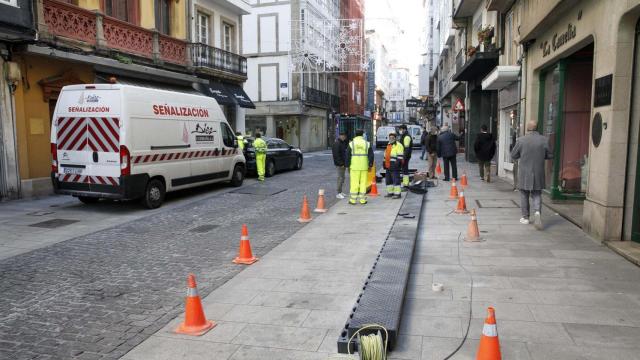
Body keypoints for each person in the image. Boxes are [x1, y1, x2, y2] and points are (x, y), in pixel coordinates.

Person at [510, 120, 552, 229]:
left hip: (524, 172)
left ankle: (525, 217)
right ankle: (537, 213)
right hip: (538, 171)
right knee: (537, 194)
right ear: (537, 128)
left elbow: (513, 155)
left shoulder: (521, 140)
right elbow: (550, 155)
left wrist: (521, 155)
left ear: (527, 128)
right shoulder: (544, 140)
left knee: (524, 194)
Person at [345, 129, 374, 205]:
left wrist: (347, 166)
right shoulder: (367, 143)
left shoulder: (351, 144)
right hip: (364, 166)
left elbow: (347, 155)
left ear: (355, 134)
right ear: (362, 134)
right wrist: (370, 165)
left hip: (354, 167)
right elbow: (371, 155)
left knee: (354, 183)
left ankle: (353, 200)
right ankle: (362, 200)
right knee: (363, 183)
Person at [383, 132, 404, 199]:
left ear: (395, 138)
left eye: (392, 137)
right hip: (388, 165)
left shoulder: (399, 145)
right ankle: (390, 192)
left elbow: (400, 156)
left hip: (395, 165)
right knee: (388, 180)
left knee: (396, 179)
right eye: (390, 137)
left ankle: (397, 194)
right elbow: (386, 155)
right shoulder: (388, 144)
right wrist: (384, 162)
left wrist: (397, 164)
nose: (391, 139)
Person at [332, 132, 348, 199]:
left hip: (343, 164)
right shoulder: (337, 143)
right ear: (341, 136)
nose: (344, 138)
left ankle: (341, 192)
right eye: (344, 136)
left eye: (345, 137)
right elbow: (336, 155)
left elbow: (344, 154)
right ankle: (338, 193)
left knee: (343, 178)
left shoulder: (342, 143)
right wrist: (340, 164)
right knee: (340, 178)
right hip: (340, 164)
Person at [398, 124, 413, 188]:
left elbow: (406, 149)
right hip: (404, 156)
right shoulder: (404, 136)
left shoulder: (406, 137)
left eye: (401, 129)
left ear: (404, 129)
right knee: (404, 169)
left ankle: (406, 184)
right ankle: (405, 183)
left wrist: (403, 157)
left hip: (405, 156)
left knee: (405, 170)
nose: (400, 131)